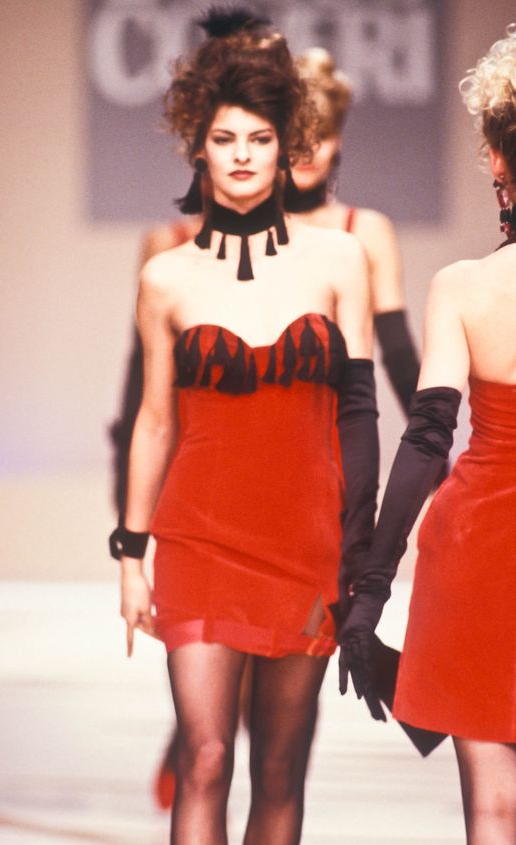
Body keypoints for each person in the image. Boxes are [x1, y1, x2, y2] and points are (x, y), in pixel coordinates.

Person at [109, 9, 378, 845]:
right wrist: (130, 554)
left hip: (304, 542)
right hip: (197, 541)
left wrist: (359, 550)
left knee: (279, 769)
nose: (241, 155)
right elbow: (155, 420)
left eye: (259, 139)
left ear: (285, 146)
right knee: (204, 756)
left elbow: (359, 415)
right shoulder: (166, 276)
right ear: (198, 145)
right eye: (224, 138)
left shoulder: (340, 261)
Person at [338, 24, 516, 845]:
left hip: (477, 554)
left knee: (492, 808)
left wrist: (369, 591)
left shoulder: (465, 287)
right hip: (475, 556)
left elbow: (425, 439)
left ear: (496, 161)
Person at [290, 47, 421, 420]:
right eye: (294, 135)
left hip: (339, 431)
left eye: (321, 134)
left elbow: (398, 354)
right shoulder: (245, 230)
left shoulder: (366, 230)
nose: (307, 150)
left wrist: (431, 444)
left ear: (339, 140)